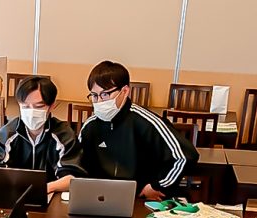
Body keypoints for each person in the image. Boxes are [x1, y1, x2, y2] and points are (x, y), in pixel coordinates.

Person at [78, 61, 198, 200]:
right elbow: (76, 163)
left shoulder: (147, 122)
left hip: (141, 198)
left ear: (124, 91)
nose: (99, 101)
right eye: (94, 95)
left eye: (105, 94)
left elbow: (185, 156)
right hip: (101, 199)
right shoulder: (90, 126)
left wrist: (157, 186)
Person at [0, 76, 85, 194]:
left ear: (52, 105)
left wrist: (43, 189)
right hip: (14, 194)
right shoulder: (8, 133)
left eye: (39, 107)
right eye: (25, 106)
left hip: (51, 195)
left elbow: (72, 177)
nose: (31, 112)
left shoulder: (63, 134)